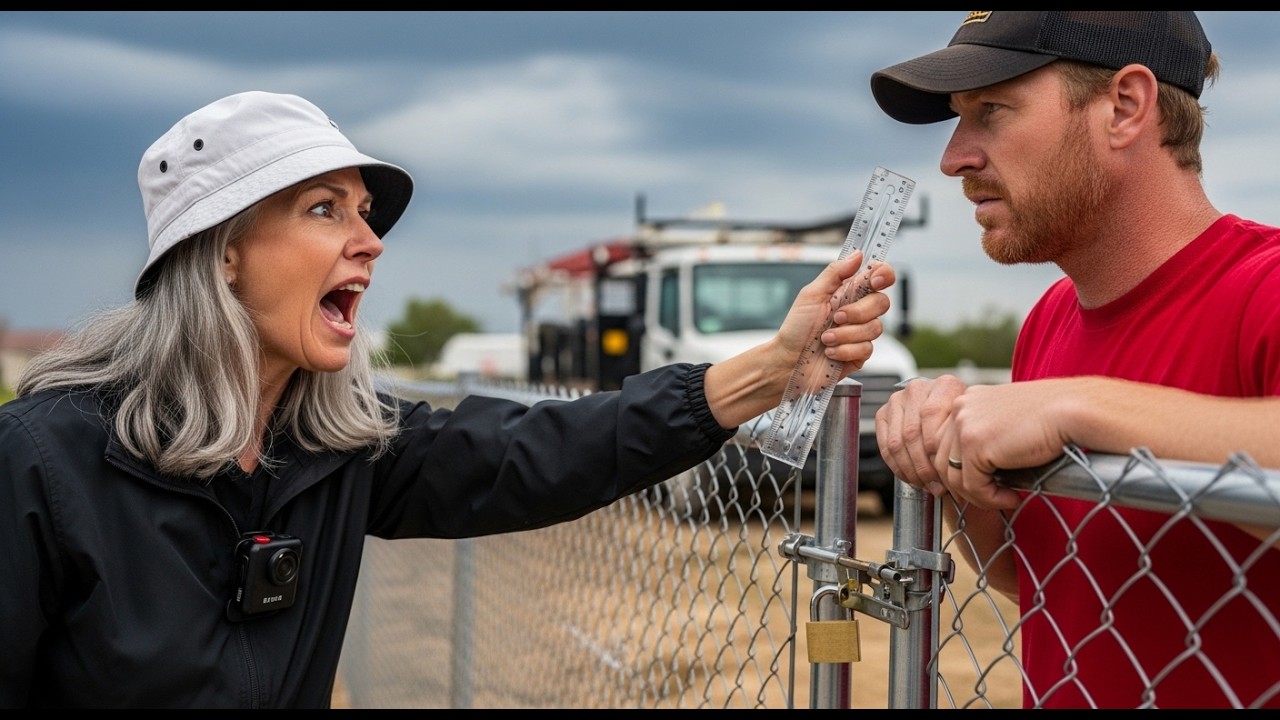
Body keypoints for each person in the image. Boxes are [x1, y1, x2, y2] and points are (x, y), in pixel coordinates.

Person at [0, 90, 897, 708]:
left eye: (364, 213)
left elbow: (536, 451)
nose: (370, 242)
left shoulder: (333, 445)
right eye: (325, 209)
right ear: (221, 253)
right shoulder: (43, 461)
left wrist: (774, 370)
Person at [870, 11, 1280, 709]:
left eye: (992, 110)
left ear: (1124, 107)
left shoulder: (1264, 287)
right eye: (957, 118)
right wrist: (946, 452)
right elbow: (1028, 574)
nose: (955, 157)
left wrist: (1080, 406)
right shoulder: (1051, 320)